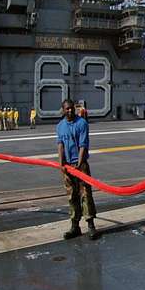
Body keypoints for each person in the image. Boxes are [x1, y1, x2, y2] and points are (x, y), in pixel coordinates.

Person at [56, 98, 100, 241]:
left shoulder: (82, 123)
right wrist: (61, 164)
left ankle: (91, 225)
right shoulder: (60, 126)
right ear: (63, 110)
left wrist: (79, 164)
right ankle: (75, 226)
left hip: (80, 165)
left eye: (71, 108)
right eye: (67, 109)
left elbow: (83, 146)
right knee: (71, 196)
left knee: (85, 194)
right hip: (68, 166)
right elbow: (60, 145)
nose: (69, 111)